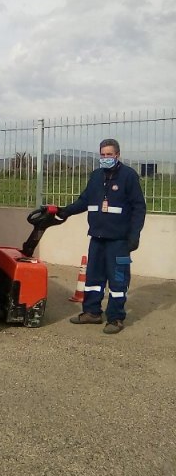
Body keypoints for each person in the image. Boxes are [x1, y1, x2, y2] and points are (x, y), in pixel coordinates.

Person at [57, 138, 146, 334]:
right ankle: (92, 312)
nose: (106, 158)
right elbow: (85, 200)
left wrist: (134, 235)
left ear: (117, 155)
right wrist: (65, 211)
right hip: (97, 237)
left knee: (118, 280)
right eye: (103, 155)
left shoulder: (129, 176)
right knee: (93, 278)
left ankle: (115, 318)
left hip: (120, 241)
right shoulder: (96, 176)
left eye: (109, 154)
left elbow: (139, 207)